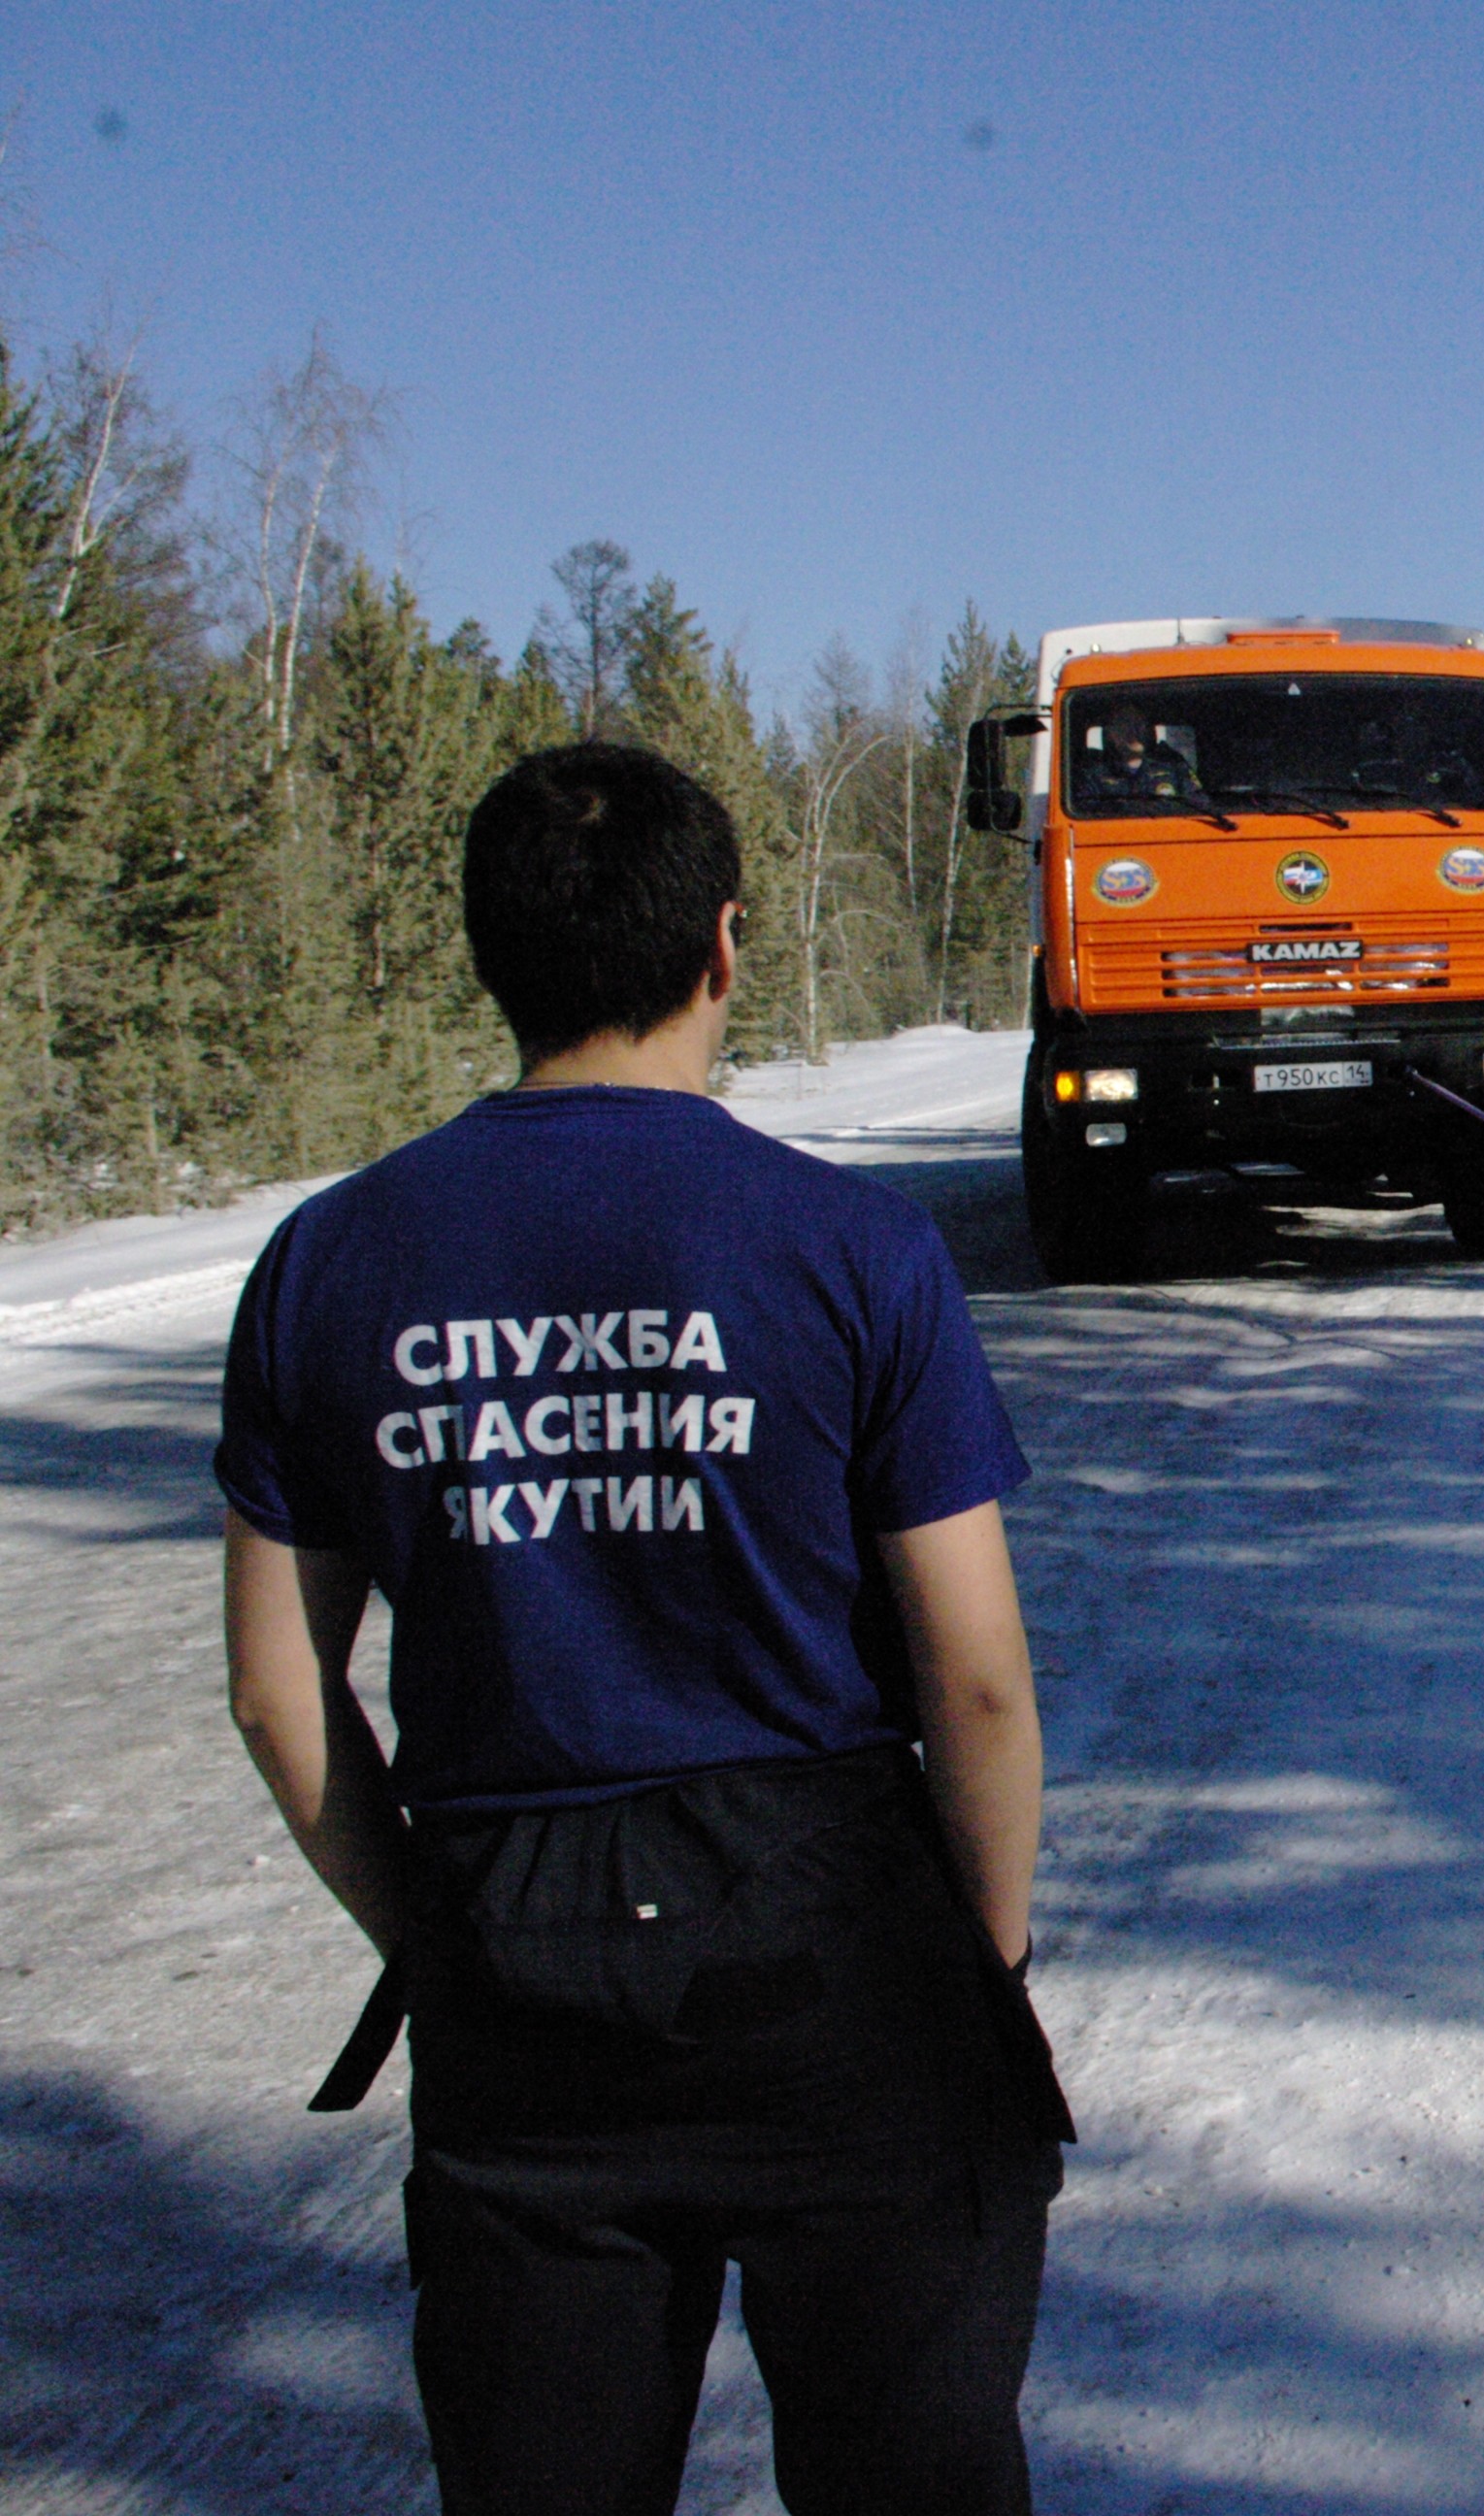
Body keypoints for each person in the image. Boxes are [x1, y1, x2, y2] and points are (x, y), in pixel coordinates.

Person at [216, 742, 1070, 2516]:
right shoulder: (850, 1249)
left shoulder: (325, 1263)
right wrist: (977, 1972)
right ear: (726, 949)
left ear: (488, 954)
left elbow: (278, 1697)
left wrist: (445, 1935)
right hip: (837, 1952)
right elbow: (973, 1677)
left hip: (518, 1988)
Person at [1081, 702, 1202, 808]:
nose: (1135, 731)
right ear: (1112, 734)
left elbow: (1199, 805)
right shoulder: (1096, 774)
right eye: (1127, 724)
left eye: (1140, 724)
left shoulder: (1173, 765)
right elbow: (1085, 814)